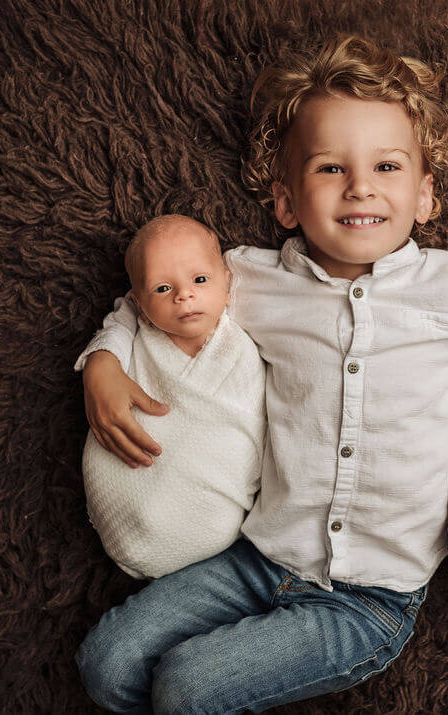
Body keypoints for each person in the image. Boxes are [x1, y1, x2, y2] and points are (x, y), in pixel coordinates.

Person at [74, 35, 448, 713]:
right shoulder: (251, 281)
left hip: (371, 598)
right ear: (285, 201)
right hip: (261, 556)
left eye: (387, 166)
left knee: (187, 685)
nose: (361, 186)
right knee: (106, 663)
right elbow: (148, 295)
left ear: (424, 195)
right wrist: (102, 359)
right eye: (330, 168)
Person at [80, 215, 265, 579]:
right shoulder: (137, 341)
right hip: (128, 492)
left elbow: (253, 426)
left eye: (199, 280)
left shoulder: (241, 349)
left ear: (227, 286)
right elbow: (119, 323)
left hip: (208, 512)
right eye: (163, 289)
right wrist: (102, 361)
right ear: (140, 304)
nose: (184, 295)